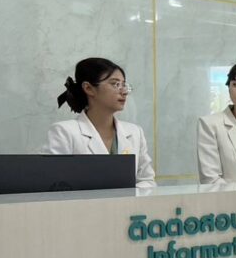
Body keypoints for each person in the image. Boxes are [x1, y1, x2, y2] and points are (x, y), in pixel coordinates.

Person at [47, 57, 155, 186]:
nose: (124, 92)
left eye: (124, 85)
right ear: (88, 88)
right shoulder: (64, 132)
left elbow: (147, 181)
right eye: (115, 84)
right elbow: (51, 184)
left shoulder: (135, 132)